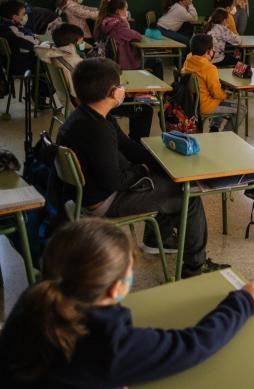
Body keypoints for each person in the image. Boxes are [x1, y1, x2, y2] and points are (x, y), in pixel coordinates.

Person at [0, 219, 254, 388]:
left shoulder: (35, 297)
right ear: (117, 288)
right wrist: (243, 301)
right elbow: (193, 345)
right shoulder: (112, 343)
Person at [56, 58, 226, 277]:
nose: (123, 89)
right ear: (113, 93)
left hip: (90, 194)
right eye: (120, 85)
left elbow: (127, 145)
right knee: (189, 195)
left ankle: (157, 239)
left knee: (169, 180)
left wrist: (159, 162)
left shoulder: (89, 116)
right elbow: (114, 181)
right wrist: (144, 170)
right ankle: (194, 268)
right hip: (102, 203)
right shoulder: (98, 131)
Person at [36, 24, 153, 141]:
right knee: (144, 108)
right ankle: (137, 143)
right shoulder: (73, 62)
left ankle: (130, 144)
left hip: (72, 103)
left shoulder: (55, 55)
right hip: (90, 104)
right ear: (74, 43)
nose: (83, 44)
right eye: (81, 41)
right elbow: (91, 86)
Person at [182, 34, 243, 131]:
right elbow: (216, 94)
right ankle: (227, 135)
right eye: (212, 49)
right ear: (207, 51)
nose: (213, 51)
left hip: (191, 103)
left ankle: (214, 129)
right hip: (205, 106)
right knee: (241, 109)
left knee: (221, 98)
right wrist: (225, 94)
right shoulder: (209, 68)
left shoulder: (188, 60)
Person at [95, 0, 163, 79]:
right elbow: (138, 37)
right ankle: (158, 89)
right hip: (126, 61)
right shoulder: (119, 25)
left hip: (114, 60)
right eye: (125, 9)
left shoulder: (106, 21)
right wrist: (125, 21)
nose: (127, 11)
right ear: (118, 11)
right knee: (157, 61)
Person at [0, 0, 39, 76]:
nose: (25, 16)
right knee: (44, 65)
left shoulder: (6, 26)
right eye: (23, 14)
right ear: (14, 16)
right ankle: (41, 87)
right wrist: (38, 41)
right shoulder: (10, 28)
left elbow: (23, 35)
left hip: (12, 63)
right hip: (18, 65)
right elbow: (27, 42)